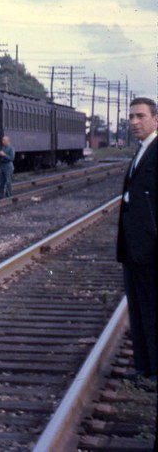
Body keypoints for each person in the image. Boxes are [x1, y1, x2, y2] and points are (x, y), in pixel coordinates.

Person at [118, 96, 157, 381]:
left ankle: (154, 370)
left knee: (152, 310)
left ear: (156, 119)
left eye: (140, 116)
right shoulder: (142, 151)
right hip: (135, 248)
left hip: (151, 248)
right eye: (131, 116)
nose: (134, 122)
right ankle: (144, 367)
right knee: (139, 308)